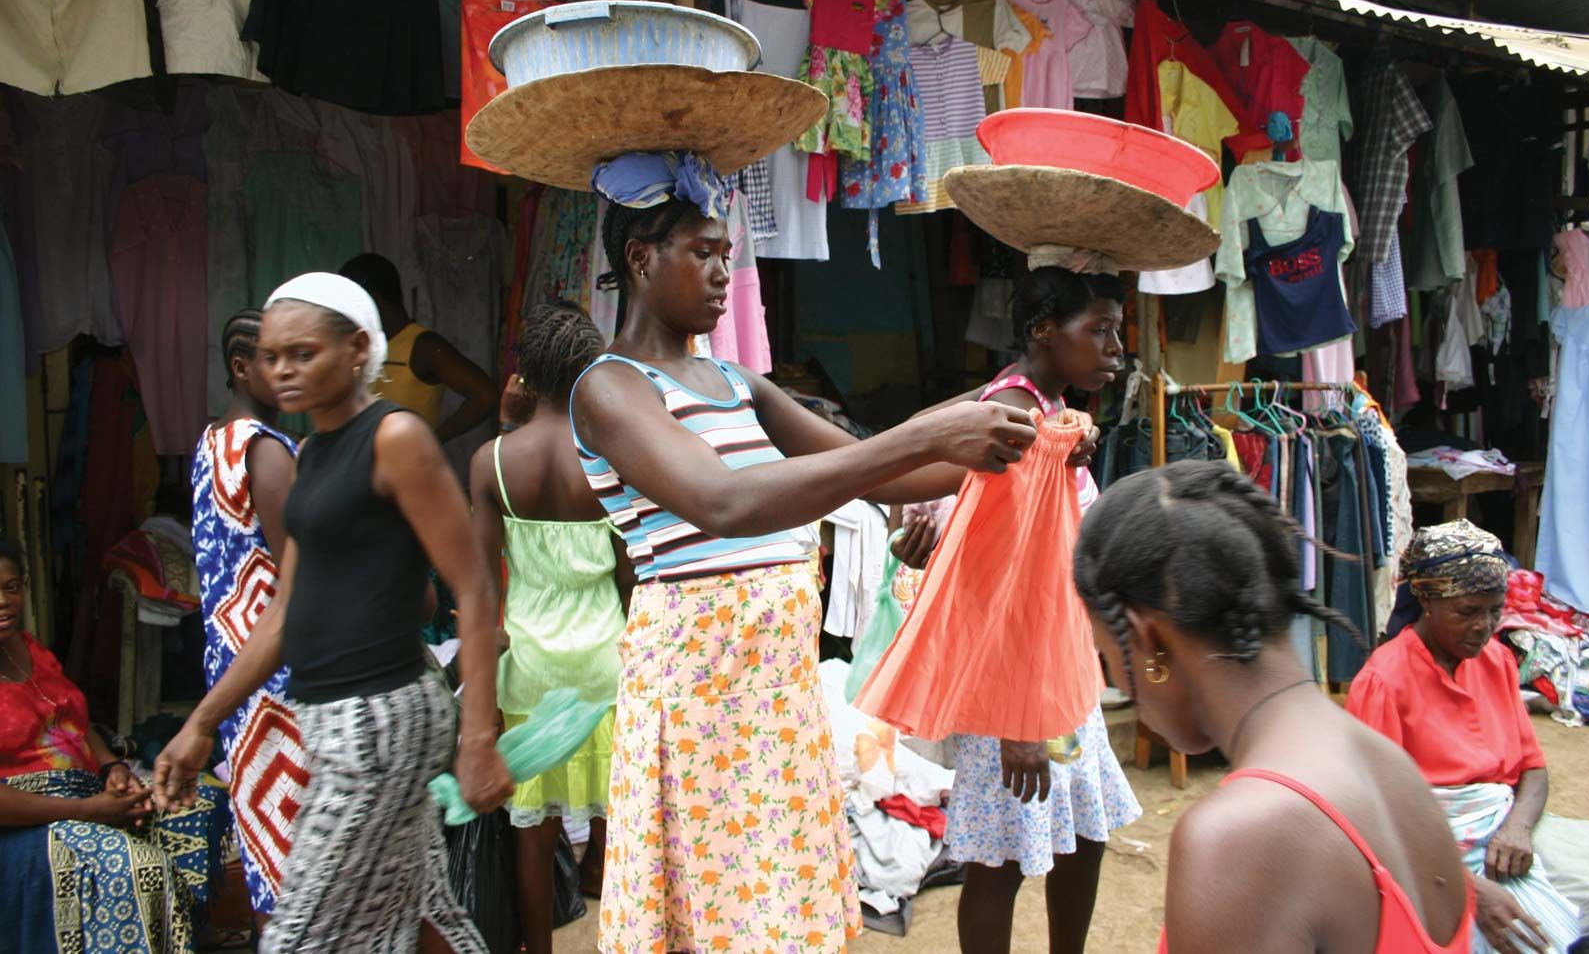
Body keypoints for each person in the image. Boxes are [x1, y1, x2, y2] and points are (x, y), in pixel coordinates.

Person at [568, 186, 1039, 953]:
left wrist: (1025, 403)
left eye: (728, 253)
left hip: (776, 688)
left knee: (774, 904)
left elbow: (879, 474)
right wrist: (927, 435)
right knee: (715, 905)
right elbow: (722, 502)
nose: (725, 271)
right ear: (639, 258)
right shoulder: (610, 387)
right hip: (699, 692)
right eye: (703, 252)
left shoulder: (735, 383)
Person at [152, 273, 513, 954]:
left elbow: (473, 587)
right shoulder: (311, 453)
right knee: (417, 912)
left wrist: (476, 737)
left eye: (302, 353)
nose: (283, 369)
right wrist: (202, 719)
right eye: (272, 355)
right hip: (332, 718)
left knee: (298, 936)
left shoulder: (395, 437)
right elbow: (287, 609)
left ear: (356, 349)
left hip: (381, 718)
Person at [1073, 460, 1475, 954]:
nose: (1115, 680)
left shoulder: (1241, 839)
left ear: (1145, 639)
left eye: (1105, 655)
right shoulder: (1391, 766)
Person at [935, 266, 1142, 954]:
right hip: (1015, 678)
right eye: (1101, 330)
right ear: (1043, 331)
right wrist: (1013, 717)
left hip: (1057, 663)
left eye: (1118, 329)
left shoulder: (1047, 410)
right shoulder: (1017, 418)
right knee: (1000, 858)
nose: (1117, 347)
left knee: (1083, 833)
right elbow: (993, 576)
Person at [468, 302, 631, 954]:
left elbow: (479, 586)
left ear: (522, 374)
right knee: (623, 824)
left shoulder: (492, 462)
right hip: (604, 662)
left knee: (530, 838)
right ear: (592, 371)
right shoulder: (611, 458)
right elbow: (629, 575)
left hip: (529, 667)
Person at [1347, 521, 1584, 954]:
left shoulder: (1496, 661)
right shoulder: (1384, 680)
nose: (1484, 626)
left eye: (1495, 610)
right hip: (1429, 855)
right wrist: (1471, 890)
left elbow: (1533, 769)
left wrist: (1517, 828)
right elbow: (1375, 820)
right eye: (1468, 612)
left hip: (1502, 837)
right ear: (1425, 601)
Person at [0, 538, 230, 954]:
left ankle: (179, 938)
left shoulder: (27, 647)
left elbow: (70, 720)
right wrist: (89, 812)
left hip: (87, 793)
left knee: (196, 802)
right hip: (30, 824)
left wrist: (111, 769)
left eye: (11, 587)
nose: (4, 602)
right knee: (141, 867)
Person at [189, 307, 306, 929]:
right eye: (273, 359)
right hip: (278, 676)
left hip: (234, 674)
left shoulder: (211, 442)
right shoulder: (266, 452)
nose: (290, 372)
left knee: (270, 858)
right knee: (297, 865)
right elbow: (299, 583)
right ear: (241, 368)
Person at [339, 253, 498, 445]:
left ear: (373, 297)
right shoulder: (363, 345)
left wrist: (433, 440)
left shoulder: (423, 347)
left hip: (406, 469)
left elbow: (485, 396)